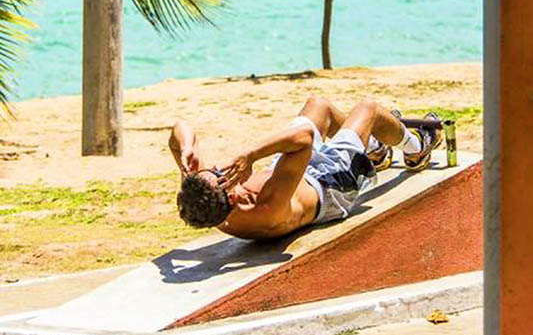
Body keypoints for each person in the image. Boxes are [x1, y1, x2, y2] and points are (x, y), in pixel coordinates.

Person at [169, 96, 442, 240]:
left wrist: (185, 148)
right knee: (368, 109)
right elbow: (303, 141)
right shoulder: (267, 208)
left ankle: (372, 149)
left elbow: (179, 128)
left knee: (318, 106)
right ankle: (416, 147)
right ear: (232, 195)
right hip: (331, 183)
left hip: (293, 172)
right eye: (218, 173)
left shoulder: (208, 200)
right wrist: (249, 156)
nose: (216, 167)